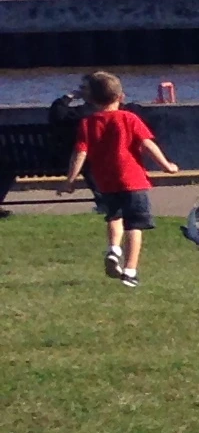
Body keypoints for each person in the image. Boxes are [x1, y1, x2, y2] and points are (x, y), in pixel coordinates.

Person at [58, 71, 179, 286]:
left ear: (91, 99)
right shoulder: (129, 118)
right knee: (135, 225)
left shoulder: (87, 123)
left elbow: (80, 152)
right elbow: (147, 144)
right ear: (121, 97)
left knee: (114, 217)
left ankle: (114, 249)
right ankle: (130, 270)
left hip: (105, 182)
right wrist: (166, 166)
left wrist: (70, 180)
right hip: (133, 180)